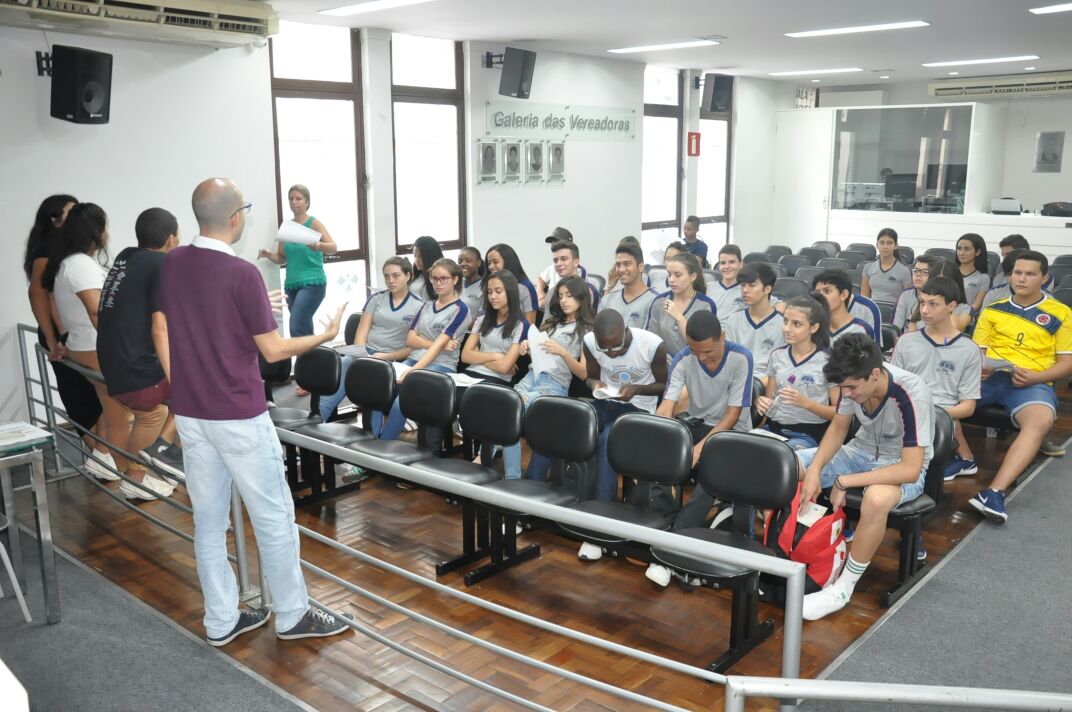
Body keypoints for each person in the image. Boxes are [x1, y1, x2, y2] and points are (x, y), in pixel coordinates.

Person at [163, 177, 349, 645]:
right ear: (235, 218)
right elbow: (273, 351)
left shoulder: (174, 264)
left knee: (208, 520)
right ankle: (292, 614)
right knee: (272, 516)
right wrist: (325, 338)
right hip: (238, 415)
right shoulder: (242, 273)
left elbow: (188, 322)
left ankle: (221, 620)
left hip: (191, 411)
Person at [797, 333, 934, 620]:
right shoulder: (853, 384)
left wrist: (843, 481)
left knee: (875, 498)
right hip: (858, 452)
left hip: (899, 463)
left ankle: (843, 589)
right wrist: (813, 470)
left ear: (874, 374)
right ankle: (790, 554)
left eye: (850, 387)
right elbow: (838, 427)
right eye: (841, 387)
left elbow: (910, 468)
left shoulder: (911, 391)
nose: (845, 394)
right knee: (789, 465)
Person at [43, 203, 149, 490]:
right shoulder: (79, 264)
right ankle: (136, 474)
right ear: (95, 231)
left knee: (116, 415)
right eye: (105, 225)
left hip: (87, 346)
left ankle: (109, 462)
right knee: (148, 413)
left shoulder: (72, 262)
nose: (108, 232)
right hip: (95, 347)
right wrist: (121, 346)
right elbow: (95, 310)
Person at [645, 311, 753, 587]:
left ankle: (674, 545)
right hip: (697, 423)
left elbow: (732, 416)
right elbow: (668, 405)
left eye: (708, 352)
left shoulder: (741, 358)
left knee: (709, 472)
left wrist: (700, 449)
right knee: (664, 457)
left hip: (732, 432)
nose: (702, 358)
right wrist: (661, 433)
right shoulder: (683, 358)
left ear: (723, 339)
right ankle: (664, 528)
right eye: (695, 351)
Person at [969, 250, 1072, 524]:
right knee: (940, 402)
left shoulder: (1061, 313)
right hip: (991, 378)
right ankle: (964, 459)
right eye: (1017, 273)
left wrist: (1036, 377)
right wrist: (979, 368)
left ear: (1044, 278)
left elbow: (1067, 364)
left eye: (1030, 274)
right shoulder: (993, 309)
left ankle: (993, 493)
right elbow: (976, 352)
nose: (1022, 278)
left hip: (1031, 382)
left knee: (1039, 421)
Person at [96, 207, 187, 498]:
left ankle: (145, 468)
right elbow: (160, 328)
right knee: (194, 391)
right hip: (135, 373)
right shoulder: (162, 264)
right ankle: (142, 475)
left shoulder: (125, 257)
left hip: (111, 362)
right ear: (172, 239)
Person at [23, 194, 104, 458]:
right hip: (65, 337)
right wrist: (54, 339)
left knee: (99, 399)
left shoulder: (65, 253)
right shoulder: (47, 253)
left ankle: (104, 457)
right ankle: (102, 457)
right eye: (72, 212)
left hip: (71, 335)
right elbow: (38, 296)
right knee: (84, 399)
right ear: (55, 220)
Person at [892, 277, 981, 483]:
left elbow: (968, 407)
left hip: (941, 415)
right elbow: (893, 389)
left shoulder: (968, 349)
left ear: (951, 306)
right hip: (906, 411)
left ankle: (960, 458)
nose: (924, 310)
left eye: (933, 304)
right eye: (922, 302)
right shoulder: (906, 341)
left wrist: (928, 411)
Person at [502, 277, 593, 479]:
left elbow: (584, 373)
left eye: (569, 295)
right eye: (560, 296)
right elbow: (539, 354)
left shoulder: (586, 329)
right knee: (504, 408)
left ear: (581, 297)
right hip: (532, 376)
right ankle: (512, 477)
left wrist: (563, 352)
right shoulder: (551, 323)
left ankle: (510, 477)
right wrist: (528, 347)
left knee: (510, 411)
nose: (564, 301)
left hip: (554, 384)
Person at [318, 256, 421, 428]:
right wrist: (363, 354)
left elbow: (413, 347)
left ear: (408, 276)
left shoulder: (418, 306)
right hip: (366, 354)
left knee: (372, 380)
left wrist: (386, 356)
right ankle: (312, 431)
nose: (390, 280)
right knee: (335, 377)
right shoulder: (376, 299)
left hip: (392, 358)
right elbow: (361, 334)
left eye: (396, 275)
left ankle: (373, 439)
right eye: (387, 276)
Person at [581, 310, 668, 507]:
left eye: (617, 346)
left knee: (610, 437)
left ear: (625, 331)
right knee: (578, 422)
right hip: (607, 401)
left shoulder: (652, 345)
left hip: (639, 407)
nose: (612, 353)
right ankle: (546, 496)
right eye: (604, 349)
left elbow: (664, 386)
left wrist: (637, 389)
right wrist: (594, 384)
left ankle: (603, 509)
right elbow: (590, 378)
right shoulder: (589, 342)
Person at [379, 258, 471, 441]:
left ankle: (380, 448)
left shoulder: (460, 309)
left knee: (402, 398)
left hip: (441, 365)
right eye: (434, 278)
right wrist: (437, 344)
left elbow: (437, 348)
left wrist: (414, 370)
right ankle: (374, 439)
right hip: (415, 359)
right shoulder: (427, 305)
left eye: (443, 278)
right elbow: (410, 339)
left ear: (455, 279)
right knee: (380, 390)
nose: (438, 283)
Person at [756, 293, 838, 450]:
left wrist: (805, 403)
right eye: (785, 321)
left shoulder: (828, 361)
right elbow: (770, 401)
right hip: (774, 429)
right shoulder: (777, 356)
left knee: (779, 457)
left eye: (796, 324)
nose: (787, 329)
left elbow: (839, 414)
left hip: (807, 434)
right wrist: (761, 403)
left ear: (813, 327)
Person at [258, 184, 337, 341]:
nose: (294, 202)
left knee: (296, 326)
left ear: (307, 202)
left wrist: (319, 246)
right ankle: (313, 363)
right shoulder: (287, 226)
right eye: (291, 199)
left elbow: (333, 248)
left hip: (313, 283)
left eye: (298, 198)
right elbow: (282, 258)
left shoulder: (314, 223)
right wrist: (269, 255)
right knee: (303, 329)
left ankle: (306, 363)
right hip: (291, 286)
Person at [461, 270, 528, 387]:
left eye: (498, 291)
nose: (492, 296)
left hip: (496, 379)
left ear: (510, 292)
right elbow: (465, 356)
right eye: (489, 292)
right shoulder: (482, 318)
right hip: (470, 374)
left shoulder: (521, 325)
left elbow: (504, 367)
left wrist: (478, 355)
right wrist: (497, 356)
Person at [647, 252, 718, 356]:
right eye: (669, 274)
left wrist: (679, 318)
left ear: (693, 276)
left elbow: (702, 348)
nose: (671, 280)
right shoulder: (659, 302)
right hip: (664, 365)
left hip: (696, 365)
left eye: (678, 275)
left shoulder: (705, 305)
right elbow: (651, 342)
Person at [721, 262, 785, 376]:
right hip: (737, 377)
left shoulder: (782, 324)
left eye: (751, 285)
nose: (745, 290)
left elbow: (782, 366)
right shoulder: (734, 319)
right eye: (743, 285)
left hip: (767, 379)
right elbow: (728, 358)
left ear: (767, 289)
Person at [901, 259, 972, 334]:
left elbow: (954, 328)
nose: (939, 285)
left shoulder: (965, 309)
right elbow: (912, 330)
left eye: (945, 282)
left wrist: (949, 299)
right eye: (936, 280)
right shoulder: (923, 303)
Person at [599, 242, 658, 330]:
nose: (621, 269)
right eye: (618, 265)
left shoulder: (655, 301)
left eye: (627, 264)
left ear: (641, 266)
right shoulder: (607, 300)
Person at [812, 270, 875, 344]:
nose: (821, 296)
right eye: (817, 292)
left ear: (844, 295)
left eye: (827, 291)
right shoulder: (813, 326)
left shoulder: (861, 330)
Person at [485, 243, 537, 322]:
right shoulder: (489, 285)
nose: (491, 266)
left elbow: (530, 324)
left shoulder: (524, 287)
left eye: (495, 262)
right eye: (489, 263)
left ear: (508, 261)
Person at [535, 228, 587, 306]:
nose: (554, 245)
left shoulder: (580, 272)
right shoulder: (553, 266)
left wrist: (544, 302)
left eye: (557, 242)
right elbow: (540, 279)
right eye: (552, 243)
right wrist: (540, 293)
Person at [860, 228, 911, 306]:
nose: (885, 246)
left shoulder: (904, 271)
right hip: (873, 313)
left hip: (895, 314)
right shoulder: (868, 267)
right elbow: (864, 298)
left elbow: (907, 301)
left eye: (889, 243)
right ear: (877, 245)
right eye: (882, 243)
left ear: (896, 245)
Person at [543, 240, 600, 309]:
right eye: (555, 261)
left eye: (564, 259)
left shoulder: (589, 292)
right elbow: (548, 319)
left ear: (576, 262)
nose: (558, 264)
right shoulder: (552, 293)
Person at [955, 233, 990, 314]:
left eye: (966, 249)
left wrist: (961, 318)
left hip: (968, 318)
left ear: (977, 252)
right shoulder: (949, 271)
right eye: (959, 248)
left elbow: (976, 306)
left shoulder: (983, 277)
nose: (961, 253)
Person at [710, 244, 744, 316]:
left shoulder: (747, 289)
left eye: (732, 262)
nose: (727, 266)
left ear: (741, 264)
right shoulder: (708, 287)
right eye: (723, 263)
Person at [408, 235, 445, 302]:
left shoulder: (441, 278)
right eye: (415, 256)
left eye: (421, 256)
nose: (417, 260)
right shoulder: (417, 276)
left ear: (431, 256)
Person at [458, 246, 486, 318]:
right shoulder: (456, 283)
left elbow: (484, 318)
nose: (463, 264)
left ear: (478, 263)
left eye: (468, 261)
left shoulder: (485, 285)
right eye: (460, 261)